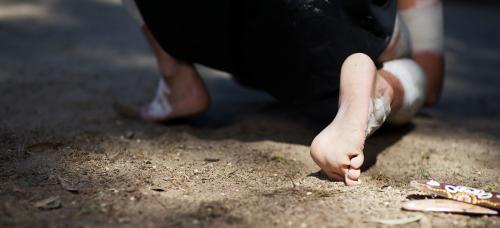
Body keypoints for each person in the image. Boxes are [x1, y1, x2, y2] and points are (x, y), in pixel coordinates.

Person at [122, 0, 445, 186]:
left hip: (209, 18)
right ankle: (378, 90)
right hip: (328, 20)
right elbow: (432, 84)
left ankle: (176, 81)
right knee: (414, 70)